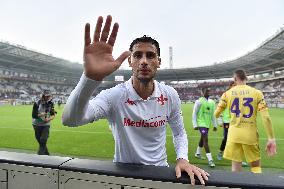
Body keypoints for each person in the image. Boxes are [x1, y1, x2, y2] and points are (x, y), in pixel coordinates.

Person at [62, 15, 209, 185]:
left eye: (150, 56)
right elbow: (70, 120)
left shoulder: (170, 95)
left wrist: (182, 159)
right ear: (130, 61)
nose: (144, 61)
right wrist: (89, 79)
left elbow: (179, 132)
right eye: (138, 55)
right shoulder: (115, 96)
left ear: (159, 62)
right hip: (124, 177)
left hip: (159, 175)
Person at [214, 70, 277, 173]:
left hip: (233, 134)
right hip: (250, 135)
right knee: (255, 167)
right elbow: (266, 117)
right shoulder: (257, 93)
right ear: (246, 78)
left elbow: (216, 114)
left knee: (235, 168)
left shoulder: (227, 94)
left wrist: (223, 112)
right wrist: (271, 138)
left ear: (234, 79)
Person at [192, 88, 217, 168]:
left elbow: (213, 114)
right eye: (207, 91)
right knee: (205, 140)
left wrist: (215, 125)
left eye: (209, 91)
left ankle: (197, 153)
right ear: (202, 92)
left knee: (202, 139)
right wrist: (195, 125)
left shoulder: (212, 102)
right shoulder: (199, 102)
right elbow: (194, 113)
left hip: (207, 124)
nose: (208, 92)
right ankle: (210, 160)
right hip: (201, 124)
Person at [32, 90, 56, 155]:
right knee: (40, 142)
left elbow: (53, 115)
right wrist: (42, 114)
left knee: (43, 139)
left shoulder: (51, 103)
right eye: (46, 96)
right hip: (36, 125)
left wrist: (48, 119)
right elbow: (34, 115)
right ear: (43, 96)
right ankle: (47, 154)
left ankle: (39, 157)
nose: (48, 98)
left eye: (49, 96)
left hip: (46, 125)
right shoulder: (37, 103)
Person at [216, 81, 235, 160]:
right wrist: (220, 121)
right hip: (226, 121)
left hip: (236, 121)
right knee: (226, 138)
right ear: (230, 86)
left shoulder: (239, 96)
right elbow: (220, 108)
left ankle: (237, 158)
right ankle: (220, 152)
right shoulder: (225, 95)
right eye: (234, 85)